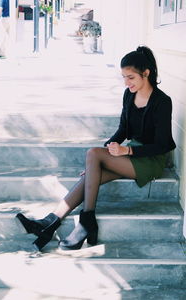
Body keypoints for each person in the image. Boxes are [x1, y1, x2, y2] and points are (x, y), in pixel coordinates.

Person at [16, 46, 176, 251]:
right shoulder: (129, 95)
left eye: (131, 78)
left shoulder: (162, 101)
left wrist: (124, 152)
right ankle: (49, 222)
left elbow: (163, 145)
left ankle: (86, 221)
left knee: (93, 154)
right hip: (133, 154)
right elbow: (123, 130)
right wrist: (99, 160)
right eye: (124, 78)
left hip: (151, 161)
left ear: (146, 73)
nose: (127, 83)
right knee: (91, 169)